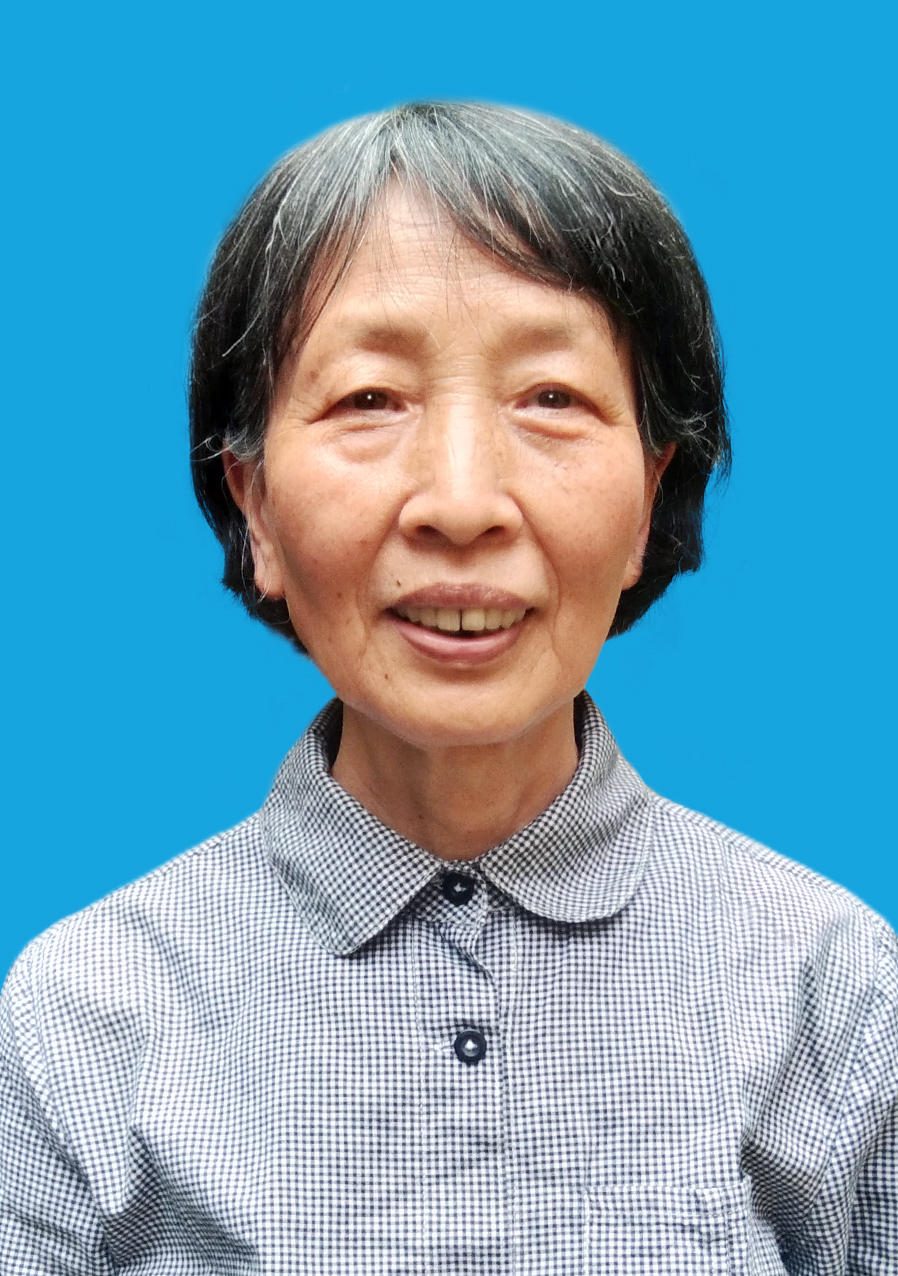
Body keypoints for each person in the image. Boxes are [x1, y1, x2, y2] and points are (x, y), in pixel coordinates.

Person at [1, 102, 895, 1274]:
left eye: (551, 397)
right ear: (253, 504)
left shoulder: (831, 986)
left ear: (648, 495)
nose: (462, 503)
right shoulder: (82, 1013)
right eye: (369, 399)